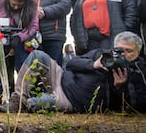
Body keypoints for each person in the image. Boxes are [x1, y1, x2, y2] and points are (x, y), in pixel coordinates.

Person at [10, 31, 146, 114]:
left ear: (138, 52)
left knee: (35, 104)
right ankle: (17, 101)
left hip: (71, 101)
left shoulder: (139, 71)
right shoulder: (101, 54)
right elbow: (71, 63)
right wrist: (93, 64)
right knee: (37, 55)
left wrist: (119, 87)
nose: (123, 54)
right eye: (119, 50)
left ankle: (29, 102)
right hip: (61, 78)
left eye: (129, 51)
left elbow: (136, 106)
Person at [0, 0, 39, 111]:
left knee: (22, 68)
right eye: (13, 4)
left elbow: (33, 26)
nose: (15, 7)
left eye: (19, 5)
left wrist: (20, 36)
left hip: (21, 41)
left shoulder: (31, 5)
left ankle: (23, 100)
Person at [70, 0, 138, 55]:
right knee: (90, 65)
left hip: (111, 36)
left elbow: (130, 9)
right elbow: (75, 16)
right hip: (88, 39)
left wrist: (124, 28)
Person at [31, 0, 71, 66]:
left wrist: (44, 11)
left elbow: (65, 6)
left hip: (53, 36)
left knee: (54, 70)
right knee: (36, 71)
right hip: (33, 38)